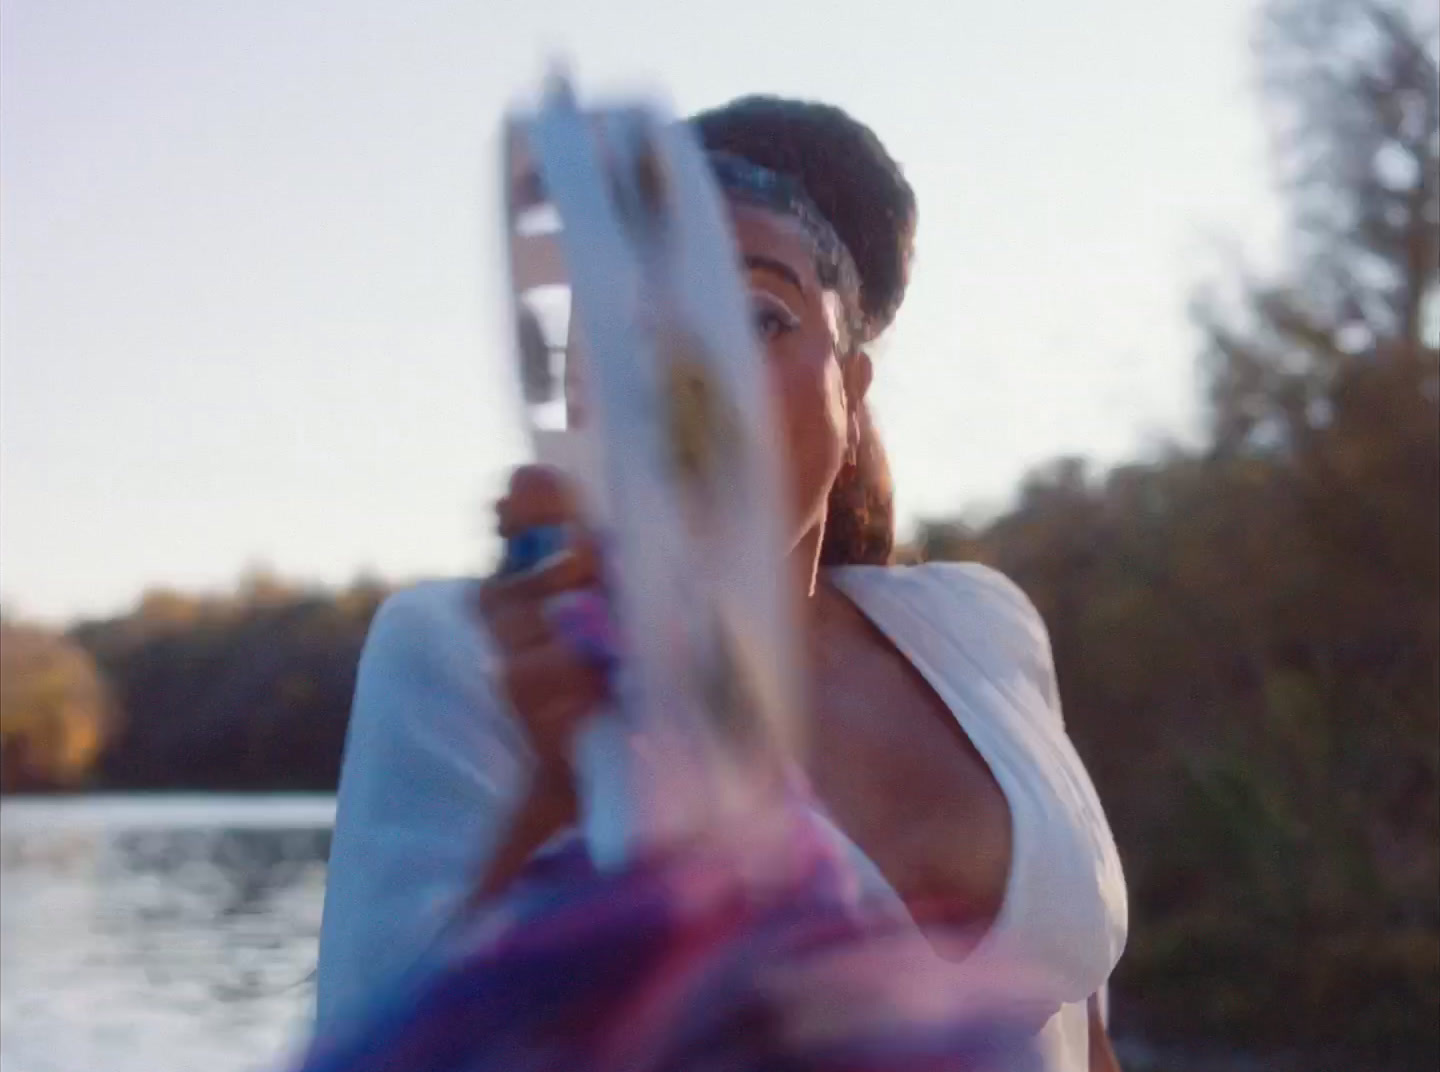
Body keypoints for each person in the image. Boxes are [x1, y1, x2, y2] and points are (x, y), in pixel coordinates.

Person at [314, 97, 1128, 1071]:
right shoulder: (466, 656)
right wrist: (558, 786)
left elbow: (1086, 1036)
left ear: (854, 389)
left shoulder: (983, 626)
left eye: (755, 314)